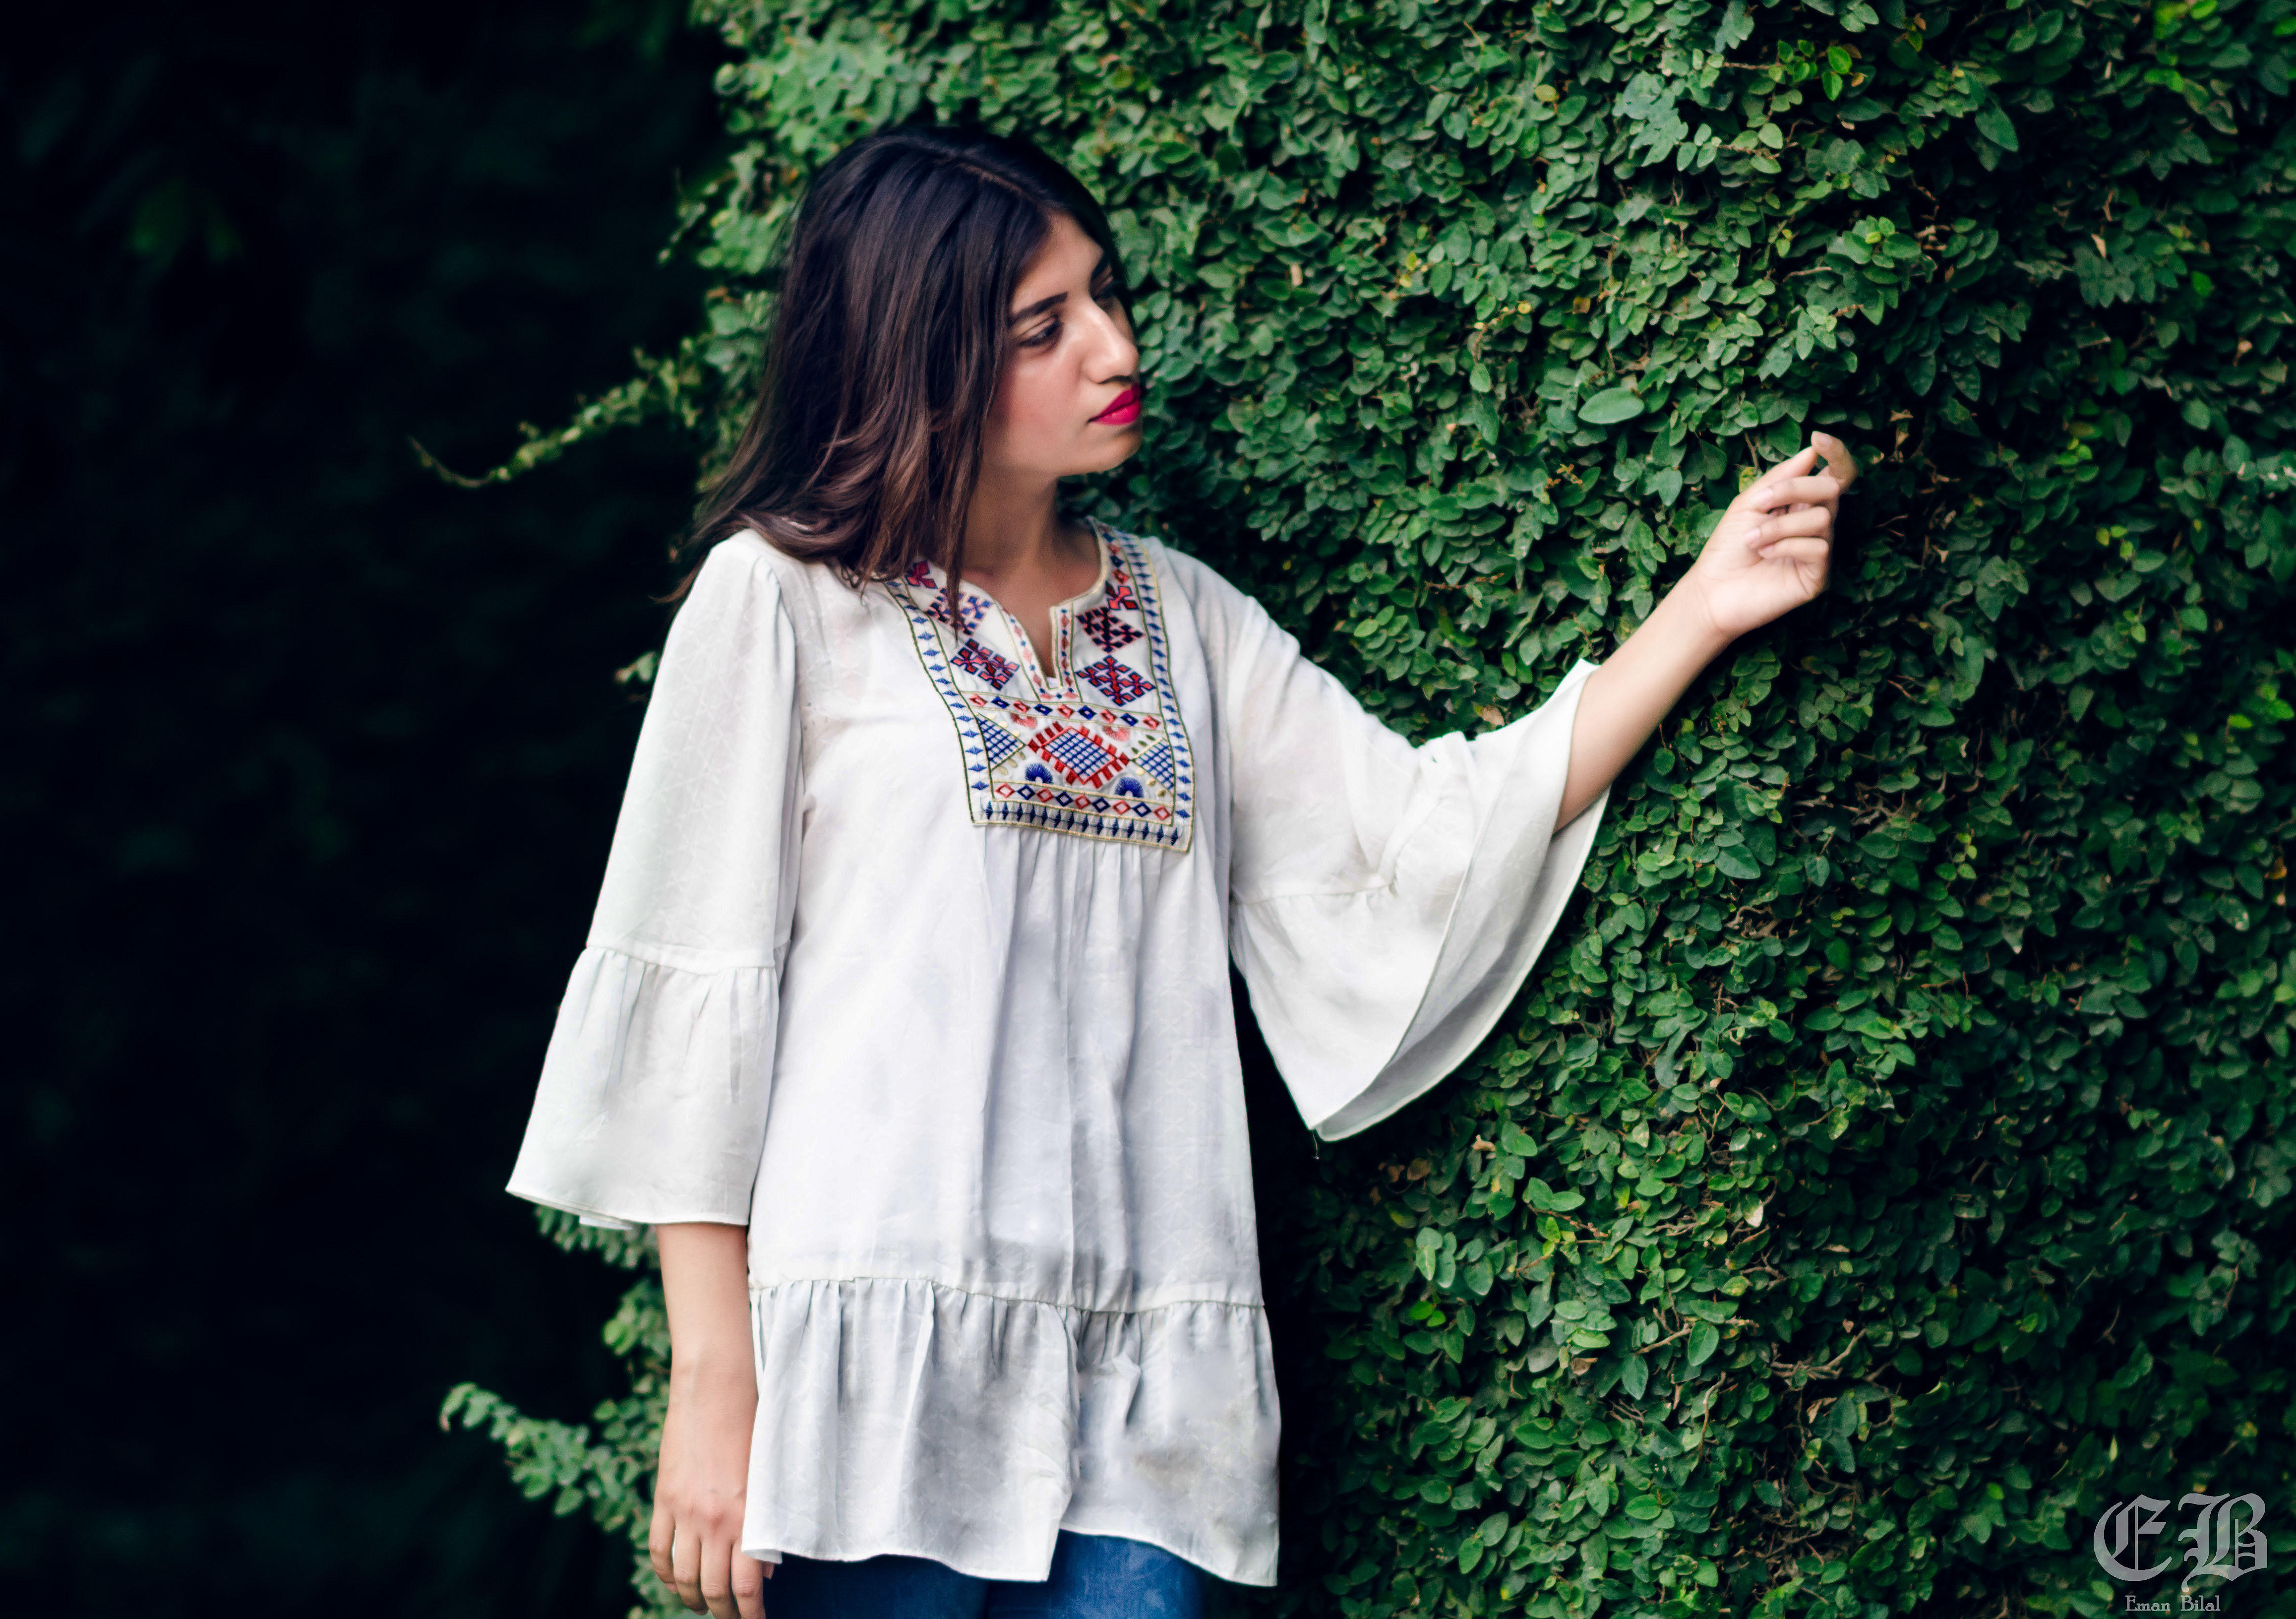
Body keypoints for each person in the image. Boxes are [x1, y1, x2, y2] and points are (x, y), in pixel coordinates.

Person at [504, 124, 1851, 1619]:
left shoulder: (1188, 622)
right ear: (918, 360)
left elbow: (1415, 839)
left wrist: (1703, 608)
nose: (1114, 347)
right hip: (876, 1387)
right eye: (1043, 328)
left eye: (1105, 293)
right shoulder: (781, 601)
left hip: (1148, 1390)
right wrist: (714, 1386)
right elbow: (696, 984)